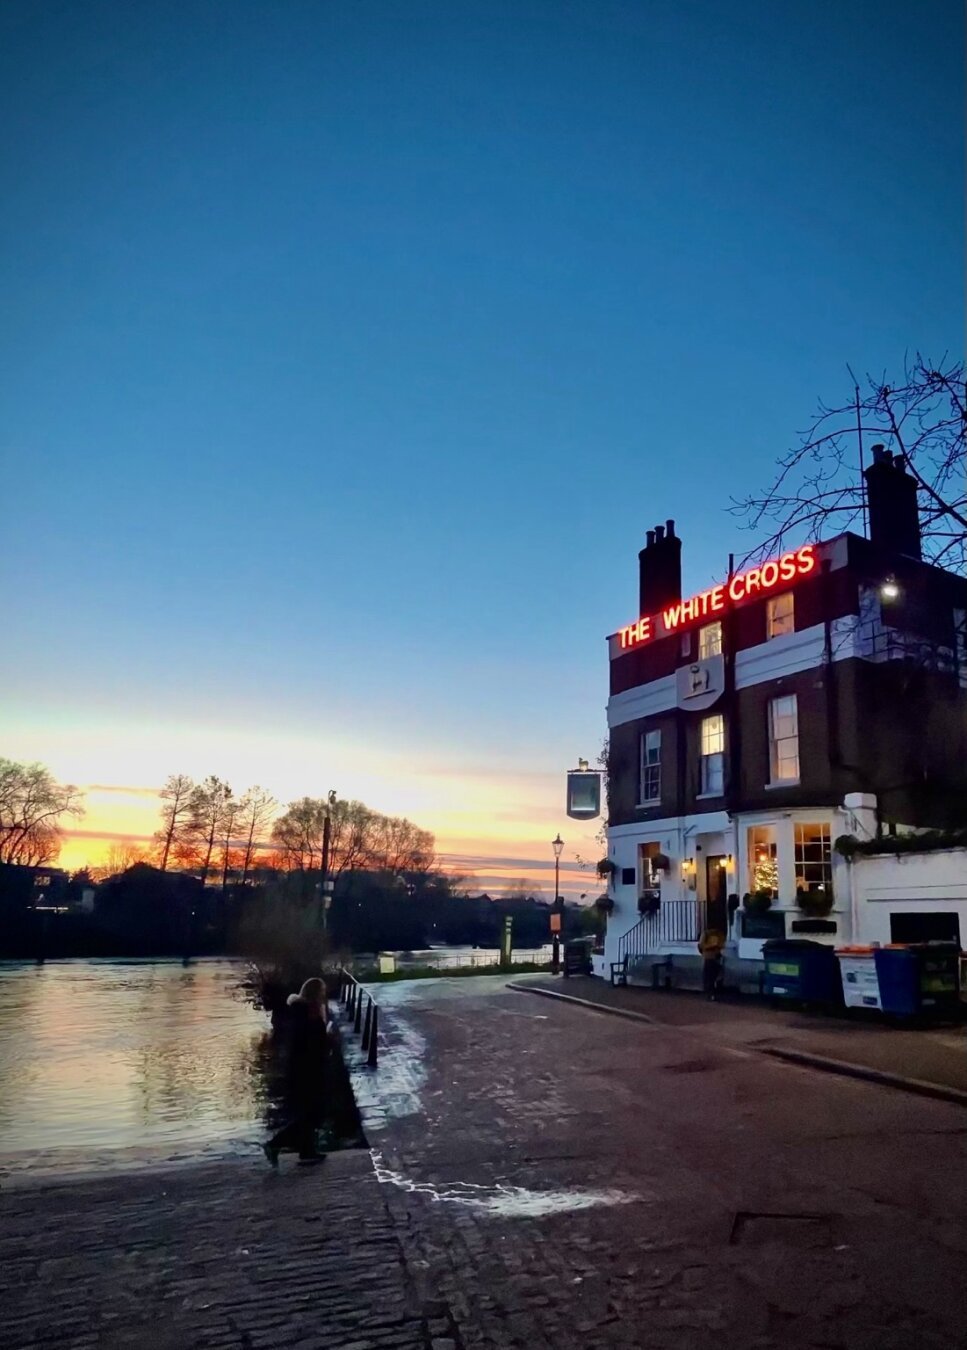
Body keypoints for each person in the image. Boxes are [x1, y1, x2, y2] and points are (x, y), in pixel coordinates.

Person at [263, 977, 331, 1166]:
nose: (324, 995)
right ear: (316, 994)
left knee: (309, 1113)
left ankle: (306, 1151)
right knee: (311, 1113)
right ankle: (275, 1144)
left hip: (300, 1069)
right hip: (307, 1070)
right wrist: (329, 1040)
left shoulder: (300, 1012)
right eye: (322, 992)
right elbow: (312, 1043)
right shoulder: (310, 1013)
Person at [698, 928, 726, 1000]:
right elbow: (701, 946)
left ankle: (711, 994)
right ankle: (710, 994)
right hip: (712, 958)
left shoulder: (710, 933)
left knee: (711, 977)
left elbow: (701, 946)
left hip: (713, 958)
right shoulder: (709, 933)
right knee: (711, 977)